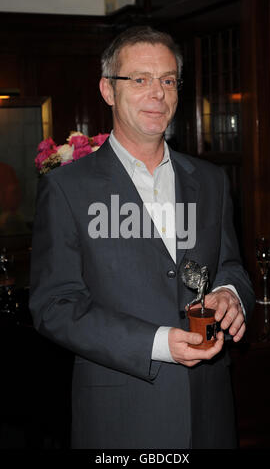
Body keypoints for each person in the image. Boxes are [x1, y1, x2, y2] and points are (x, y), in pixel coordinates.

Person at [29, 26, 255, 449]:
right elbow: (53, 306)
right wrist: (158, 343)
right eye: (140, 79)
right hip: (122, 417)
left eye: (168, 80)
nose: (158, 93)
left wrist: (230, 294)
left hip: (211, 413)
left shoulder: (210, 181)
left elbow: (230, 266)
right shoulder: (67, 188)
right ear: (107, 90)